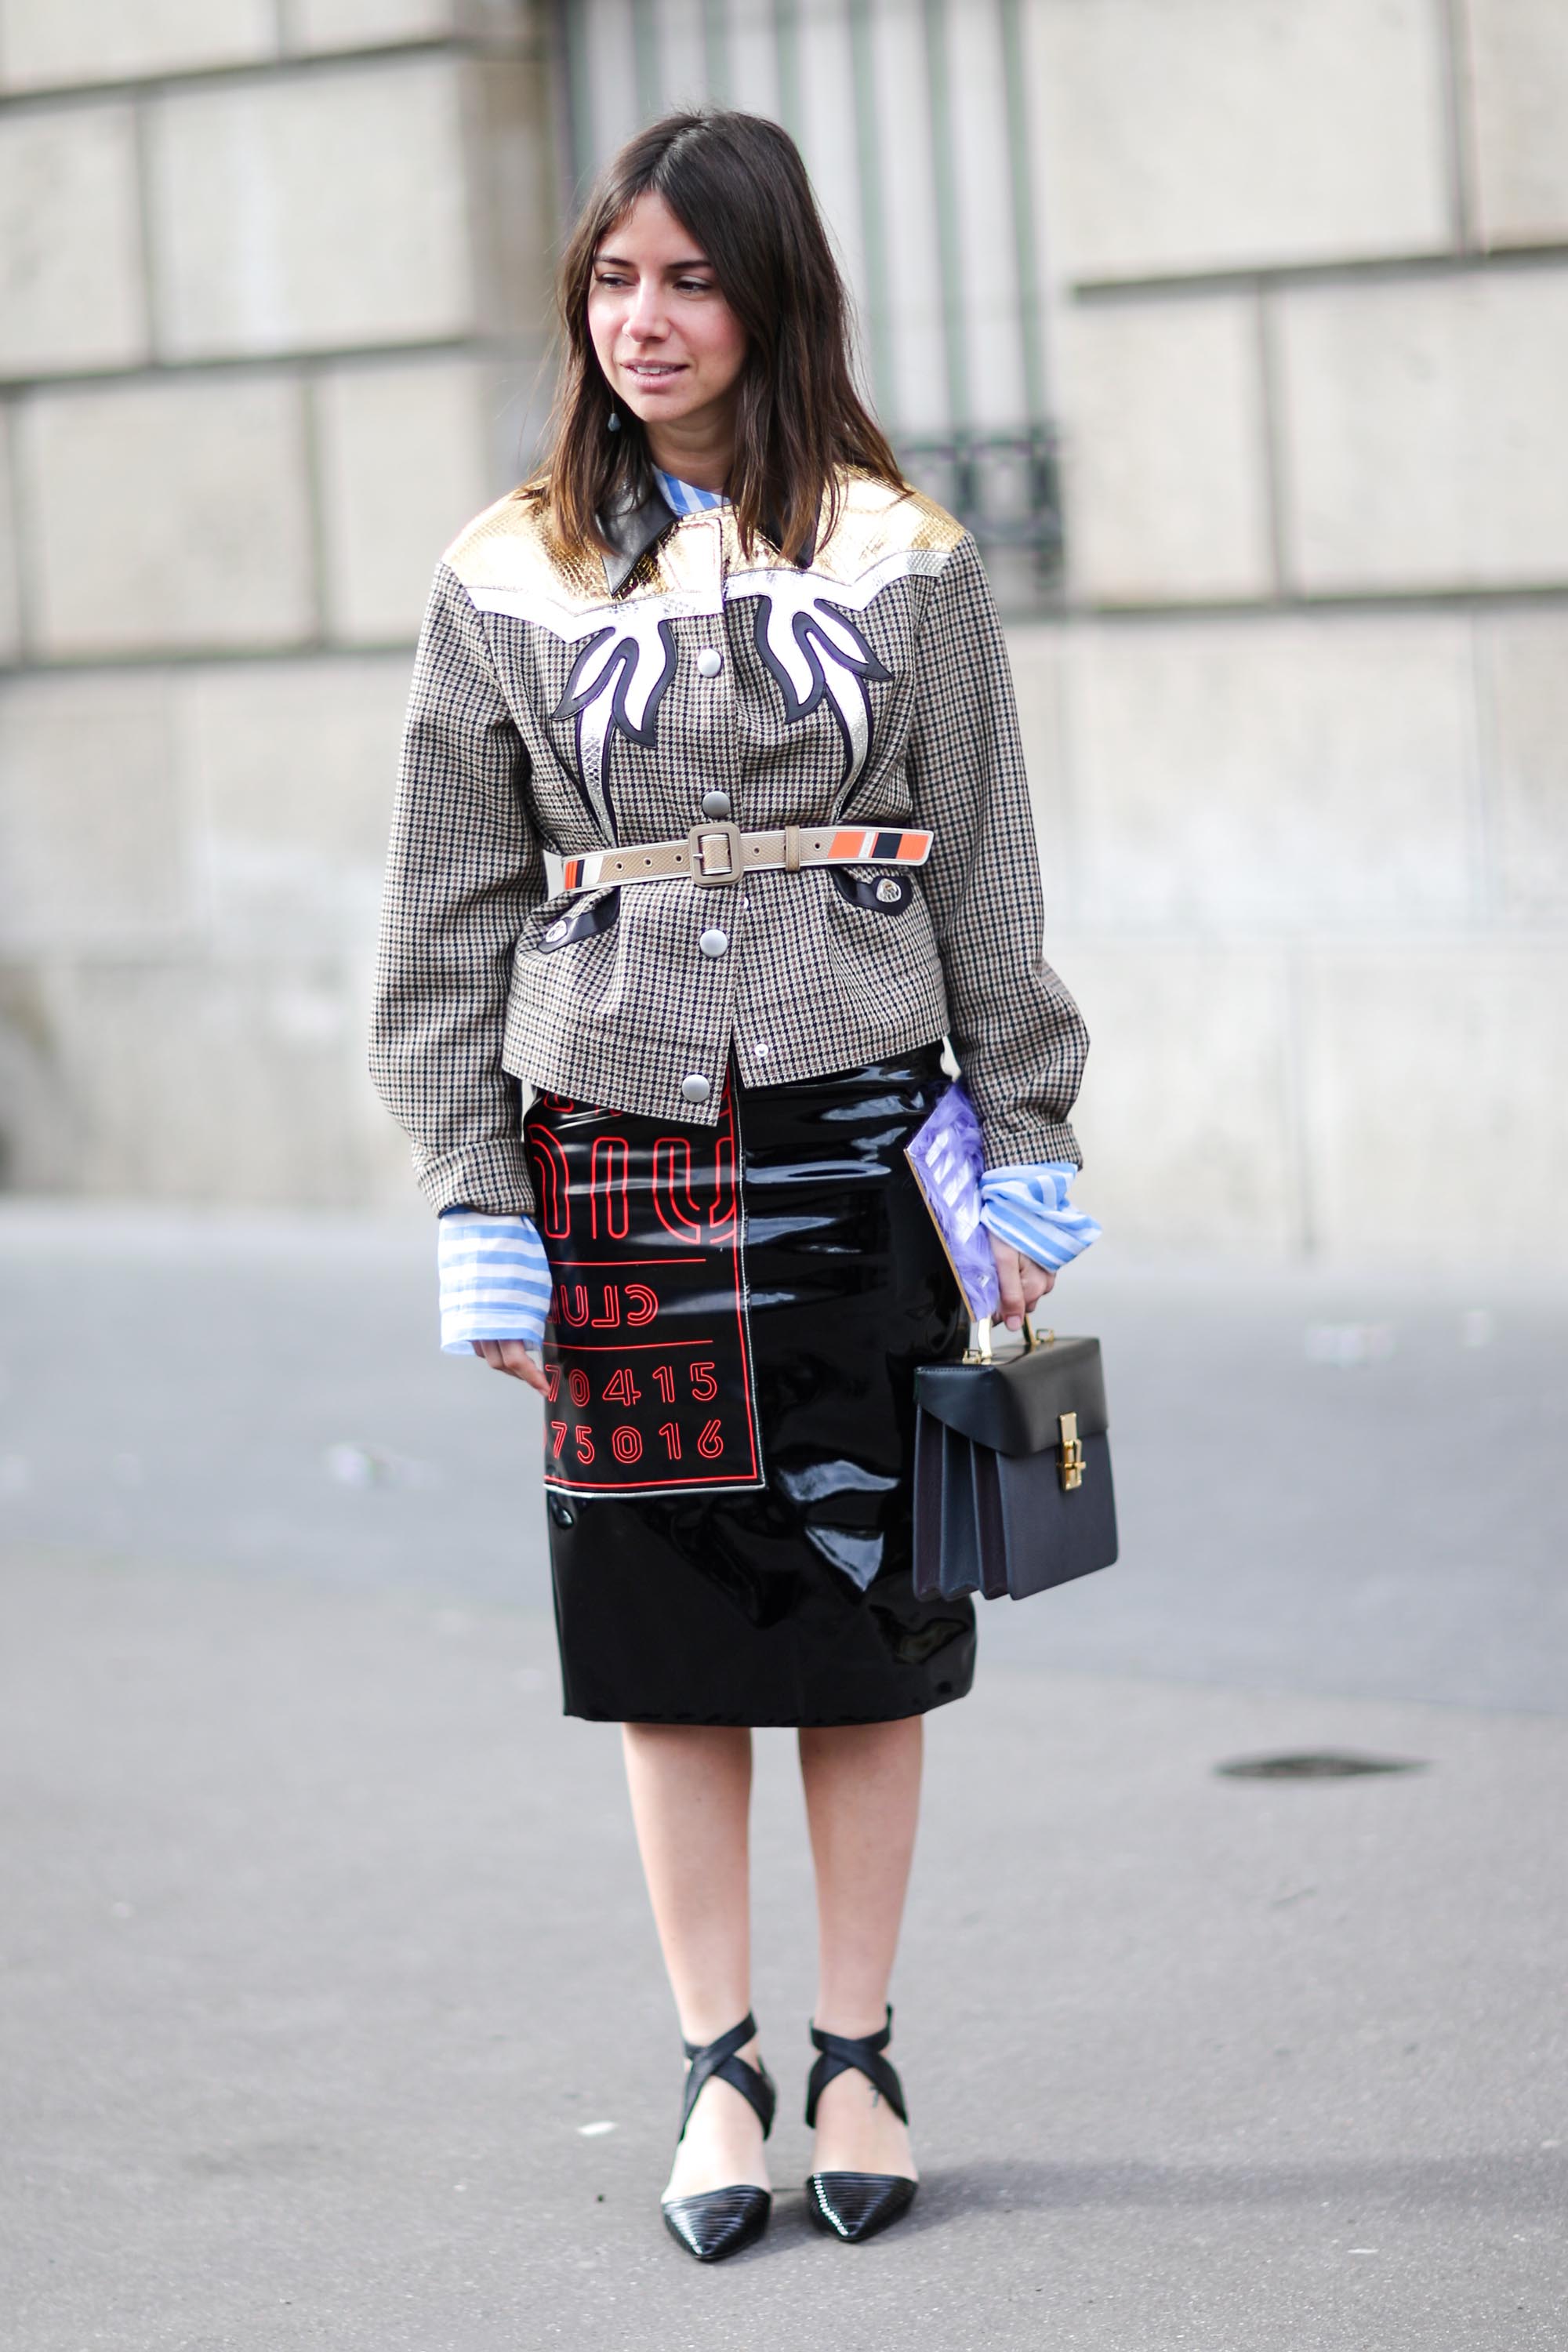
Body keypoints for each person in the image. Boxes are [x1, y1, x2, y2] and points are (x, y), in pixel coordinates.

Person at [370, 107, 1095, 2262]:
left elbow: (986, 866)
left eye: (690, 280)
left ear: (769, 297)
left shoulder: (905, 556)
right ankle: (720, 2070)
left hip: (867, 1141)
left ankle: (860, 2047)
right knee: (668, 1633)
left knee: (880, 1614)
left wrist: (1030, 1146)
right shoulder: (506, 569)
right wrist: (471, 1195)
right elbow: (440, 913)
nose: (646, 321)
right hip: (610, 1154)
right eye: (615, 280)